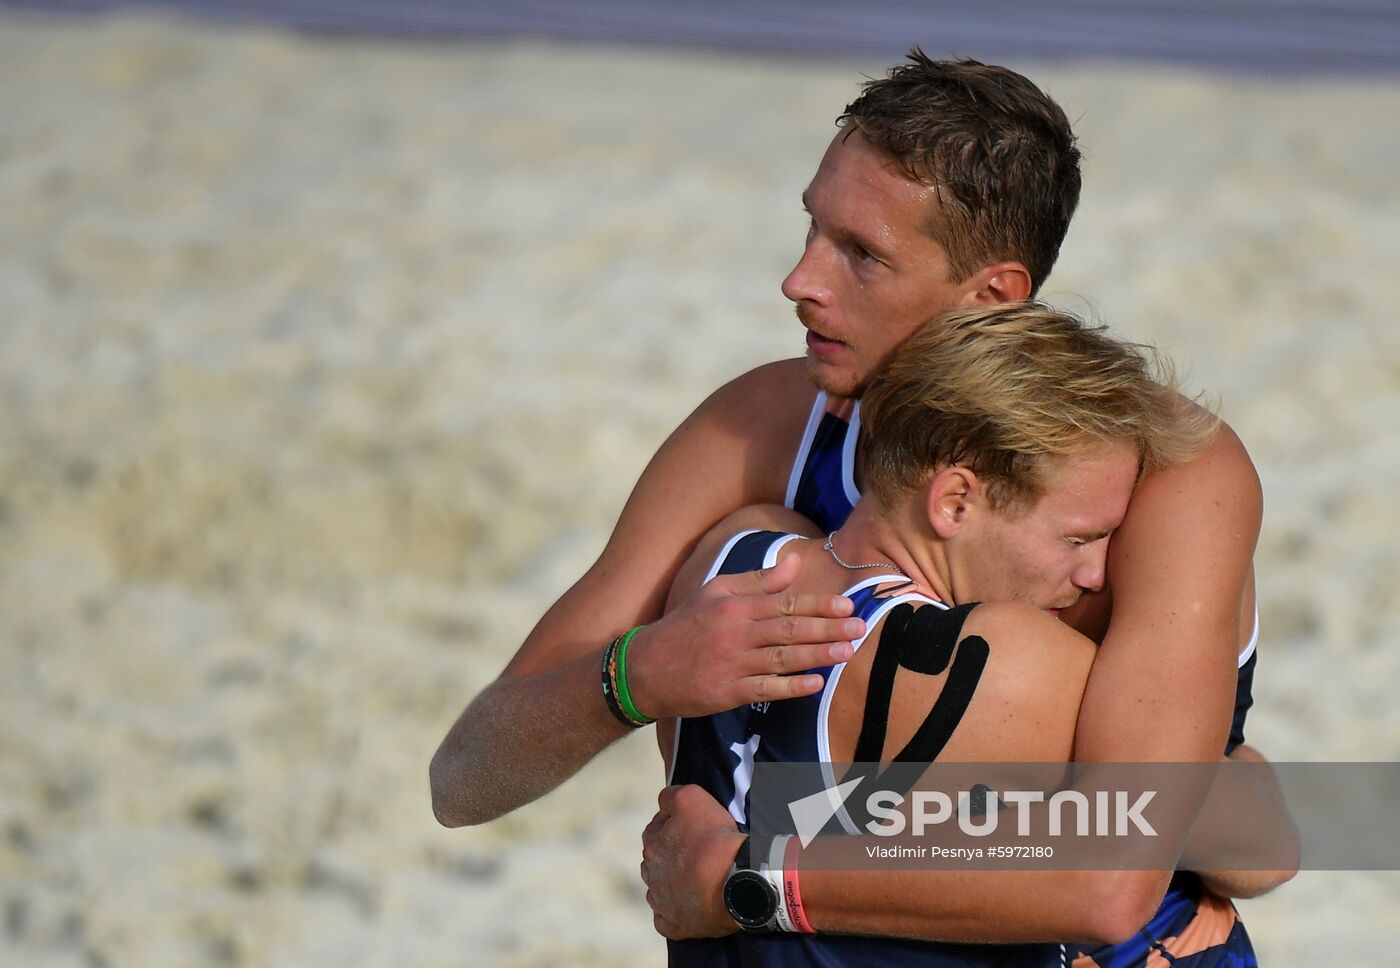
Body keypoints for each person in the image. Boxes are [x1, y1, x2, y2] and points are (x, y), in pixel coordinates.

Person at [430, 50, 1280, 955]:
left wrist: (752, 881)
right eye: (813, 228)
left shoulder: (1166, 477)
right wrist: (635, 677)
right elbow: (464, 779)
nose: (800, 281)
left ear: (991, 297)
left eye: (861, 254)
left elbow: (1146, 869)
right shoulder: (766, 423)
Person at [648, 303, 1263, 967]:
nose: (1096, 572)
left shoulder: (729, 557)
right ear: (955, 503)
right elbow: (1260, 854)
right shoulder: (1007, 664)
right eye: (1078, 537)